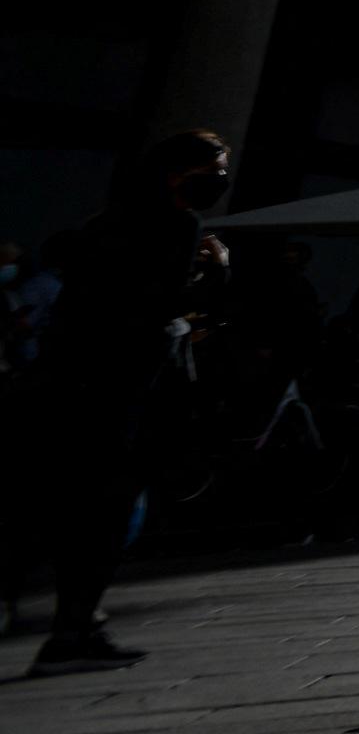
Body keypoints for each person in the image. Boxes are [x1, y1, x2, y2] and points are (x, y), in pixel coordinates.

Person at [20, 130, 234, 674]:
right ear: (177, 174)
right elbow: (161, 302)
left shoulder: (106, 222)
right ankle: (73, 630)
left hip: (69, 381)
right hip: (123, 388)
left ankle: (77, 624)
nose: (221, 179)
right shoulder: (177, 225)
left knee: (62, 504)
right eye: (215, 168)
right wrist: (217, 271)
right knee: (107, 511)